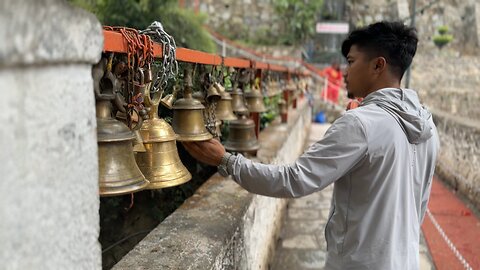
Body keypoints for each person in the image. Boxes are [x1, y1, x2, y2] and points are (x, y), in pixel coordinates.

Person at [183, 21, 439, 270]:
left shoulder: (360, 124)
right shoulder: (427, 126)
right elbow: (419, 205)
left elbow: (293, 180)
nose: (345, 72)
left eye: (351, 62)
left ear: (378, 65)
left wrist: (226, 160)